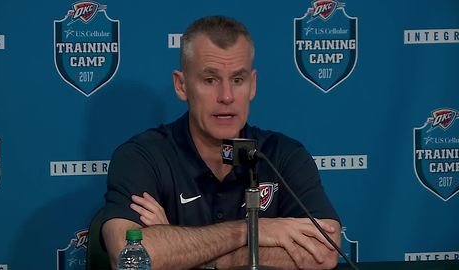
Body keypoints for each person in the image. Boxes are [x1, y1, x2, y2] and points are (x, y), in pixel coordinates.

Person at [101, 15, 341, 269]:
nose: (226, 96)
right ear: (181, 85)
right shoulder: (142, 157)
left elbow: (324, 252)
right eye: (210, 80)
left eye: (238, 80)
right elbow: (128, 257)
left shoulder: (283, 154)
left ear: (252, 85)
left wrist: (190, 252)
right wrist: (251, 231)